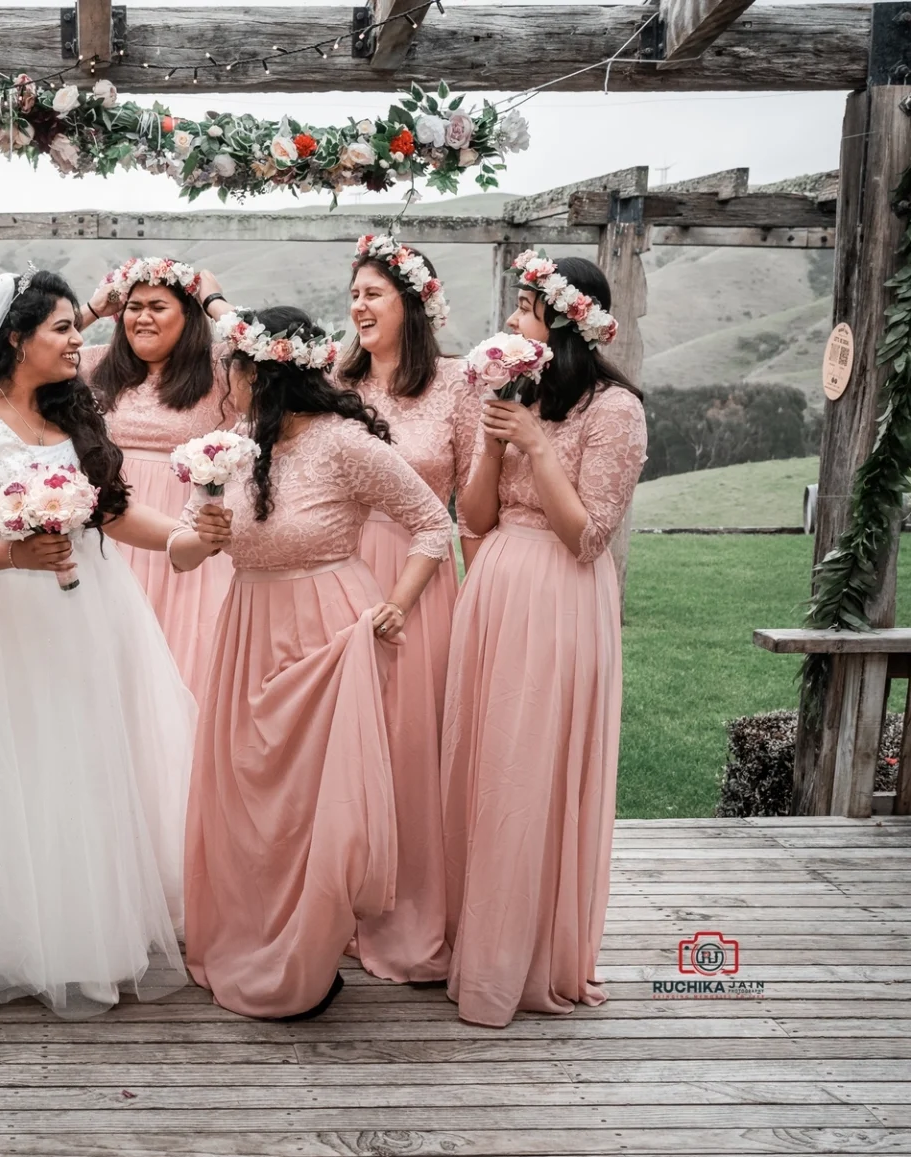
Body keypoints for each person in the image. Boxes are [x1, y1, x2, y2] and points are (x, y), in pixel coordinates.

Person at [0, 269, 232, 1018]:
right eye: (64, 329)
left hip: (87, 617)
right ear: (15, 336)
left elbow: (114, 513)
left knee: (84, 766)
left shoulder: (75, 415)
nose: (82, 340)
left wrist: (186, 541)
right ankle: (6, 939)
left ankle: (89, 940)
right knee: (8, 770)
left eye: (79, 328)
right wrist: (13, 555)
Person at [185, 307, 453, 1021]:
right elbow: (189, 546)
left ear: (261, 371)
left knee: (314, 807)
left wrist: (398, 603)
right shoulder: (239, 447)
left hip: (329, 635)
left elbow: (433, 522)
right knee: (253, 799)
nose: (226, 383)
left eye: (232, 370)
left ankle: (312, 949)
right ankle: (257, 936)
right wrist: (202, 529)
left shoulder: (345, 445)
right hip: (249, 627)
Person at [443, 252, 646, 1027]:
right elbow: (477, 518)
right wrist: (496, 444)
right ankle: (479, 944)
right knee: (488, 768)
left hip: (560, 600)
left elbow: (586, 534)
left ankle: (522, 960)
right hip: (493, 589)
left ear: (566, 323)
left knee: (531, 771)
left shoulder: (616, 410)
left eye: (528, 308)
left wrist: (535, 443)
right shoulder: (514, 395)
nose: (515, 320)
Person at [338, 235, 480, 985]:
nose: (358, 305)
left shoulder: (458, 387)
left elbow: (474, 501)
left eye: (374, 293)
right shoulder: (338, 380)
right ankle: (339, 901)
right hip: (343, 568)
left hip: (423, 582)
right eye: (354, 292)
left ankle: (410, 911)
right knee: (344, 742)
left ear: (414, 303)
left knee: (410, 745)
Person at [77, 257, 237, 691]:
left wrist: (214, 300)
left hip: (185, 544)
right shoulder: (92, 364)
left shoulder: (220, 371)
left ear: (188, 317)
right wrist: (92, 308)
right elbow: (22, 351)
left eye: (158, 306)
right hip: (108, 537)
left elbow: (264, 353)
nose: (142, 317)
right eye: (134, 305)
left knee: (181, 672)